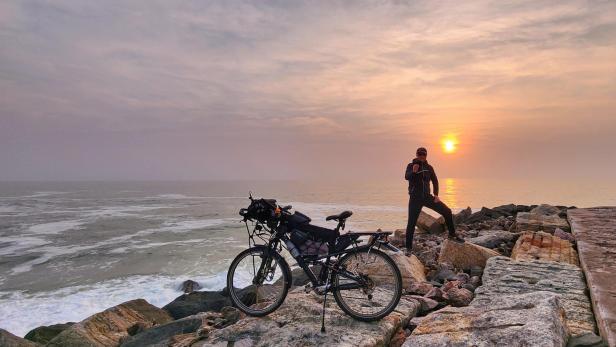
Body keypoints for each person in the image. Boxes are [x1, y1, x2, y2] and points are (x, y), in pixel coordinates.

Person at [404, 147, 463, 256]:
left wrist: (436, 195)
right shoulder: (411, 166)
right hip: (415, 198)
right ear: (416, 155)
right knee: (411, 223)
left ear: (426, 155)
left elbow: (435, 181)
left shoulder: (429, 168)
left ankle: (452, 234)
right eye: (420, 154)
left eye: (424, 154)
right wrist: (414, 171)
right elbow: (407, 177)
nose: (422, 156)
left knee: (447, 211)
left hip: (427, 197)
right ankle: (408, 248)